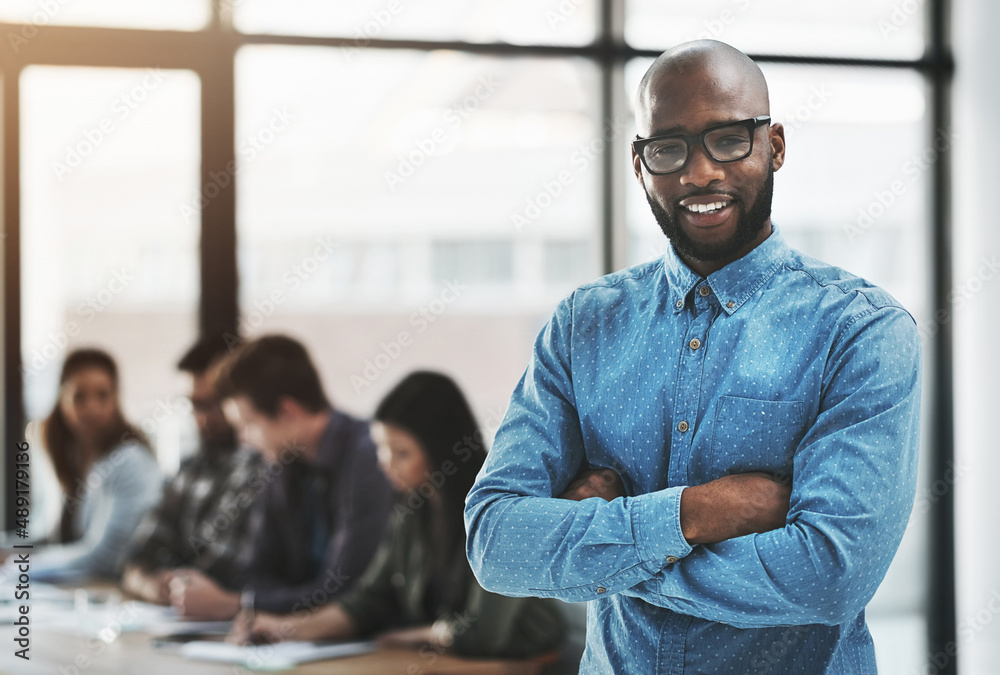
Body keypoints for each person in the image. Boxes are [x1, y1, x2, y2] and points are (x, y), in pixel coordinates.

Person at [465, 39, 921, 673]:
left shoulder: (859, 331)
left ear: (775, 146)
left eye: (729, 139)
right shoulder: (583, 325)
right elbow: (494, 544)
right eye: (668, 148)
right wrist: (701, 512)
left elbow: (830, 575)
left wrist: (600, 555)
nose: (699, 173)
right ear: (639, 163)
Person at [232, 371, 566, 659]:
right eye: (381, 448)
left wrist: (421, 634)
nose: (385, 464)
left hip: (522, 666)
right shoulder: (411, 513)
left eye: (402, 453)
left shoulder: (497, 517)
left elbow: (481, 632)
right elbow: (367, 602)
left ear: (440, 450)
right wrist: (287, 630)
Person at [168, 335, 394, 620]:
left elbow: (342, 591)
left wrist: (235, 604)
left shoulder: (370, 459)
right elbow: (254, 572)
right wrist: (254, 600)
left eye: (247, 425)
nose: (244, 440)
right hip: (300, 645)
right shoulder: (283, 464)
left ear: (288, 412)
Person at [122, 332, 265, 604]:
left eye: (211, 404)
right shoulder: (191, 467)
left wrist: (171, 584)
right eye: (193, 405)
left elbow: (222, 571)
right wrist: (146, 582)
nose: (202, 419)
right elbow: (138, 554)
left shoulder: (261, 466)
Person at [5, 349, 162, 581]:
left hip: (109, 591)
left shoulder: (131, 462)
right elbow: (41, 532)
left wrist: (17, 565)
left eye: (103, 395)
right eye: (79, 396)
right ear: (61, 399)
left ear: (116, 399)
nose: (91, 408)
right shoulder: (66, 455)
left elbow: (104, 558)